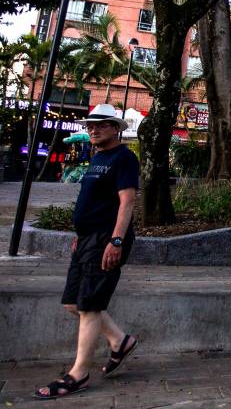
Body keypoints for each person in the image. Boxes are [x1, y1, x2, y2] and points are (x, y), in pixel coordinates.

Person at [35, 104, 140, 399]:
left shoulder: (124, 157)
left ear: (116, 128)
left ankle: (78, 374)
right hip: (87, 239)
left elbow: (127, 202)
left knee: (90, 305)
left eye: (101, 125)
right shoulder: (98, 157)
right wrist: (80, 235)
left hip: (107, 238)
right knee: (72, 302)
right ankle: (120, 341)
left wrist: (116, 241)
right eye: (90, 125)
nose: (93, 129)